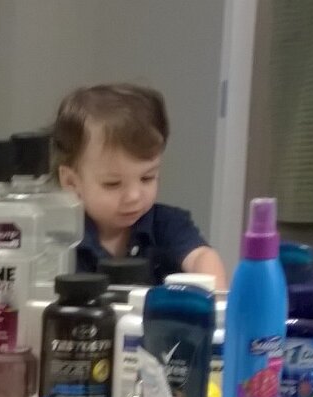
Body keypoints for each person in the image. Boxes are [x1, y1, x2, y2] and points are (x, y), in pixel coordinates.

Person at [52, 82, 228, 287]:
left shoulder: (166, 225)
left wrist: (214, 293)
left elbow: (201, 256)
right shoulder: (59, 239)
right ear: (72, 182)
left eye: (147, 178)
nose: (134, 196)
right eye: (113, 183)